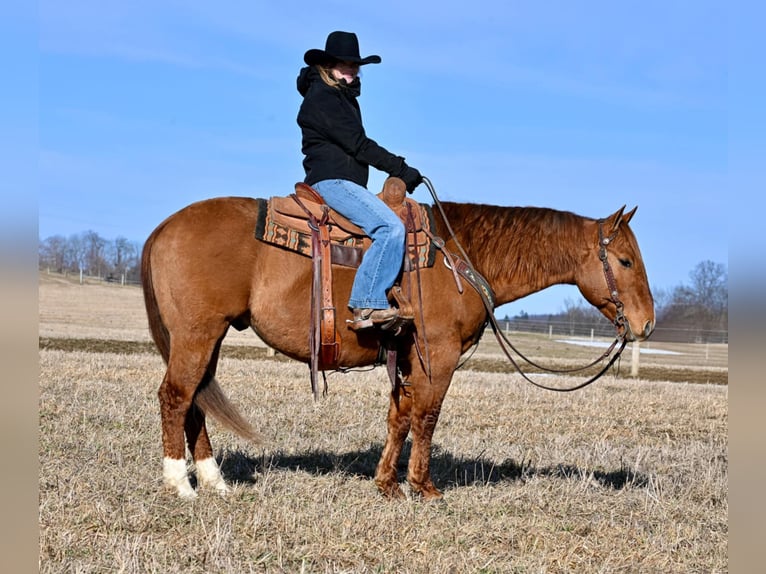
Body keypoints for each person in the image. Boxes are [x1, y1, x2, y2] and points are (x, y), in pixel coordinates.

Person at [296, 31, 422, 330]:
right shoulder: (324, 98)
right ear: (328, 66)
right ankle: (366, 302)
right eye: (343, 64)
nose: (350, 69)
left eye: (354, 65)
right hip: (333, 181)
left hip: (344, 181)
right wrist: (401, 169)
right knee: (390, 228)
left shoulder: (340, 96)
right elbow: (358, 145)